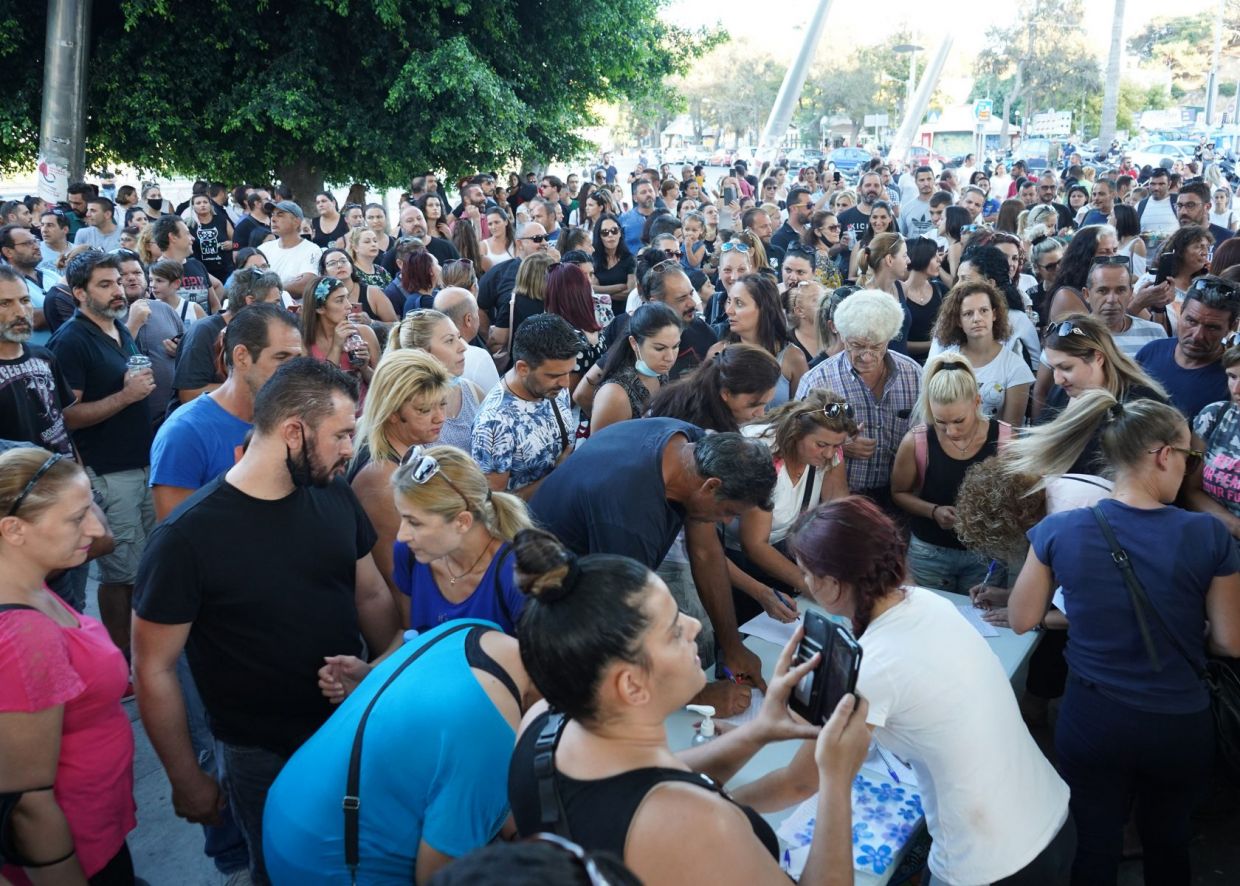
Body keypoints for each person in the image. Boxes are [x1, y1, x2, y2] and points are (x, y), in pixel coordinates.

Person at [132, 358, 401, 886]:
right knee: (281, 872)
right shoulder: (186, 539)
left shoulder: (333, 492)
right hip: (260, 756)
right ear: (293, 432)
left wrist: (383, 666)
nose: (352, 449)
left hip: (350, 726)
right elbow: (153, 668)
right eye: (342, 435)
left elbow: (370, 593)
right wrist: (187, 778)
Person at [507, 527, 872, 885]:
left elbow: (640, 785)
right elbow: (667, 802)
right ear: (631, 685)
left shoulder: (542, 723)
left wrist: (760, 731)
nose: (694, 625)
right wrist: (836, 779)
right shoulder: (697, 825)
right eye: (673, 631)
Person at [771, 496, 1075, 886]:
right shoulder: (926, 601)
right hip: (1050, 817)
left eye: (806, 574)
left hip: (990, 863)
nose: (805, 584)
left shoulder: (871, 666)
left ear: (831, 583)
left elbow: (800, 782)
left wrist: (719, 799)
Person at [1008, 392, 1240, 884]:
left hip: (1093, 718)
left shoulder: (1059, 530)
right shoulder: (1209, 535)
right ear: (1164, 455)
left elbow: (1022, 618)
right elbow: (1230, 641)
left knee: (1094, 843)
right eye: (1190, 457)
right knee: (1168, 842)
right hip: (1179, 722)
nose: (1191, 470)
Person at [264, 612, 539, 885]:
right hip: (325, 859)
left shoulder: (475, 630)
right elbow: (439, 877)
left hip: (291, 801)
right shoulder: (493, 732)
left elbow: (468, 780)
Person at [0, 450, 137, 884]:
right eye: (77, 518)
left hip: (98, 828)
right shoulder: (23, 636)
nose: (96, 529)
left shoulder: (32, 584)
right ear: (13, 530)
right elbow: (28, 804)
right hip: (80, 856)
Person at [50, 251, 157, 659]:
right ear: (79, 293)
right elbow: (67, 415)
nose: (118, 290)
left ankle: (142, 651)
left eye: (118, 282)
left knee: (144, 567)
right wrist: (126, 396)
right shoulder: (72, 341)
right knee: (121, 574)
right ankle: (119, 659)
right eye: (105, 284)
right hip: (109, 472)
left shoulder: (118, 326)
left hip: (140, 464)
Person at [150, 302, 302, 515]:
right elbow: (174, 530)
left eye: (297, 359)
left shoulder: (295, 420)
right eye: (281, 357)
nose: (294, 370)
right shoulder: (184, 433)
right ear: (241, 356)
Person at [725, 389, 855, 613]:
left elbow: (838, 518)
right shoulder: (762, 455)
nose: (828, 454)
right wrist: (811, 586)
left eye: (837, 446)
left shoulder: (831, 451)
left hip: (785, 546)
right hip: (737, 558)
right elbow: (754, 544)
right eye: (821, 445)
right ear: (796, 432)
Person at [890, 354, 1011, 593]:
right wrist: (933, 511)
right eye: (941, 422)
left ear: (977, 402)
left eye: (958, 421)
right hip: (930, 553)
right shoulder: (917, 440)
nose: (951, 431)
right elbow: (899, 493)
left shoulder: (1005, 440)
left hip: (986, 555)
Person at [796, 289, 921, 514]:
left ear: (889, 338)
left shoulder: (913, 374)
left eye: (876, 346)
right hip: (839, 499)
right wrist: (838, 447)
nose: (866, 356)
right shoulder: (817, 380)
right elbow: (795, 440)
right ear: (842, 336)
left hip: (902, 498)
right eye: (857, 345)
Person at [388, 444, 532, 634]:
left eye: (414, 522)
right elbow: (409, 636)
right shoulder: (408, 554)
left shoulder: (520, 577)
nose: (401, 535)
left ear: (463, 522)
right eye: (401, 517)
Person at [348, 348, 454, 596]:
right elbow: (396, 579)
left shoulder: (399, 442)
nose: (440, 417)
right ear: (392, 413)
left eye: (442, 404)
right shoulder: (382, 478)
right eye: (424, 410)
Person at [472, 312, 578, 499]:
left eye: (569, 372)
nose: (565, 383)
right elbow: (494, 503)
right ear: (523, 368)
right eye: (554, 376)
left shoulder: (551, 386)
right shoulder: (494, 423)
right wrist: (558, 476)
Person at [929, 279, 1033, 425]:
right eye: (968, 313)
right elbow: (934, 420)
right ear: (958, 320)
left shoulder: (1016, 368)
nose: (977, 319)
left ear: (994, 314)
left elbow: (1011, 431)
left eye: (984, 311)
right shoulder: (944, 362)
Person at [172, 268, 284, 403]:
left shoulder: (263, 332)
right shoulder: (204, 332)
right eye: (275, 303)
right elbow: (189, 394)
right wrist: (254, 388)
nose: (280, 309)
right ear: (251, 302)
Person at [1136, 276, 1236, 420]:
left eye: (1212, 327)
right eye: (1191, 321)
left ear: (1231, 327)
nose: (1197, 335)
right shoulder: (1151, 352)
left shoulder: (1233, 380)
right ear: (1181, 312)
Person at [387, 308, 487, 451]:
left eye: (459, 337)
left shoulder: (473, 392)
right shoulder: (405, 408)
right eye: (449, 341)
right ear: (422, 353)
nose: (463, 347)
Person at [577, 301, 681, 434]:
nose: (670, 357)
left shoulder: (659, 370)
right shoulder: (614, 395)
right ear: (634, 343)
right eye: (659, 348)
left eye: (675, 346)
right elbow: (602, 447)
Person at [708, 273, 807, 408]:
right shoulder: (717, 352)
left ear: (764, 308)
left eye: (739, 303)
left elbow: (801, 413)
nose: (729, 311)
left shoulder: (793, 358)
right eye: (729, 301)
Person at [301, 275, 381, 411]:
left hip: (365, 417)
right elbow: (319, 391)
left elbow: (382, 386)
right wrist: (336, 346)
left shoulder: (364, 333)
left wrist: (364, 368)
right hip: (328, 417)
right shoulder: (305, 343)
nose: (349, 306)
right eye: (339, 300)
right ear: (320, 308)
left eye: (347, 298)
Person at [1186, 344, 1240, 539]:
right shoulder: (1214, 415)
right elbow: (1190, 490)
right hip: (1212, 539)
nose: (1236, 389)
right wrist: (1236, 527)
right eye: (1232, 376)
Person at [259, 200, 322, 301]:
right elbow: (252, 283)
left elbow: (304, 285)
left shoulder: (312, 250)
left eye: (280, 215)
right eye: (272, 215)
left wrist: (267, 289)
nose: (273, 219)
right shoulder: (263, 249)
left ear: (296, 221)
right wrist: (288, 284)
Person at [319, 245, 398, 323]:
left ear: (352, 267)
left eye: (343, 261)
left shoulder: (373, 293)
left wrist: (371, 322)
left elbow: (396, 325)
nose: (339, 265)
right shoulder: (323, 299)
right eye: (332, 263)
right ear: (325, 272)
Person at [903, 236, 946, 363]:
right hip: (908, 364)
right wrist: (934, 344)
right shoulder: (897, 294)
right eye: (934, 256)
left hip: (939, 362)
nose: (939, 259)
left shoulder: (941, 290)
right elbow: (897, 343)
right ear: (921, 257)